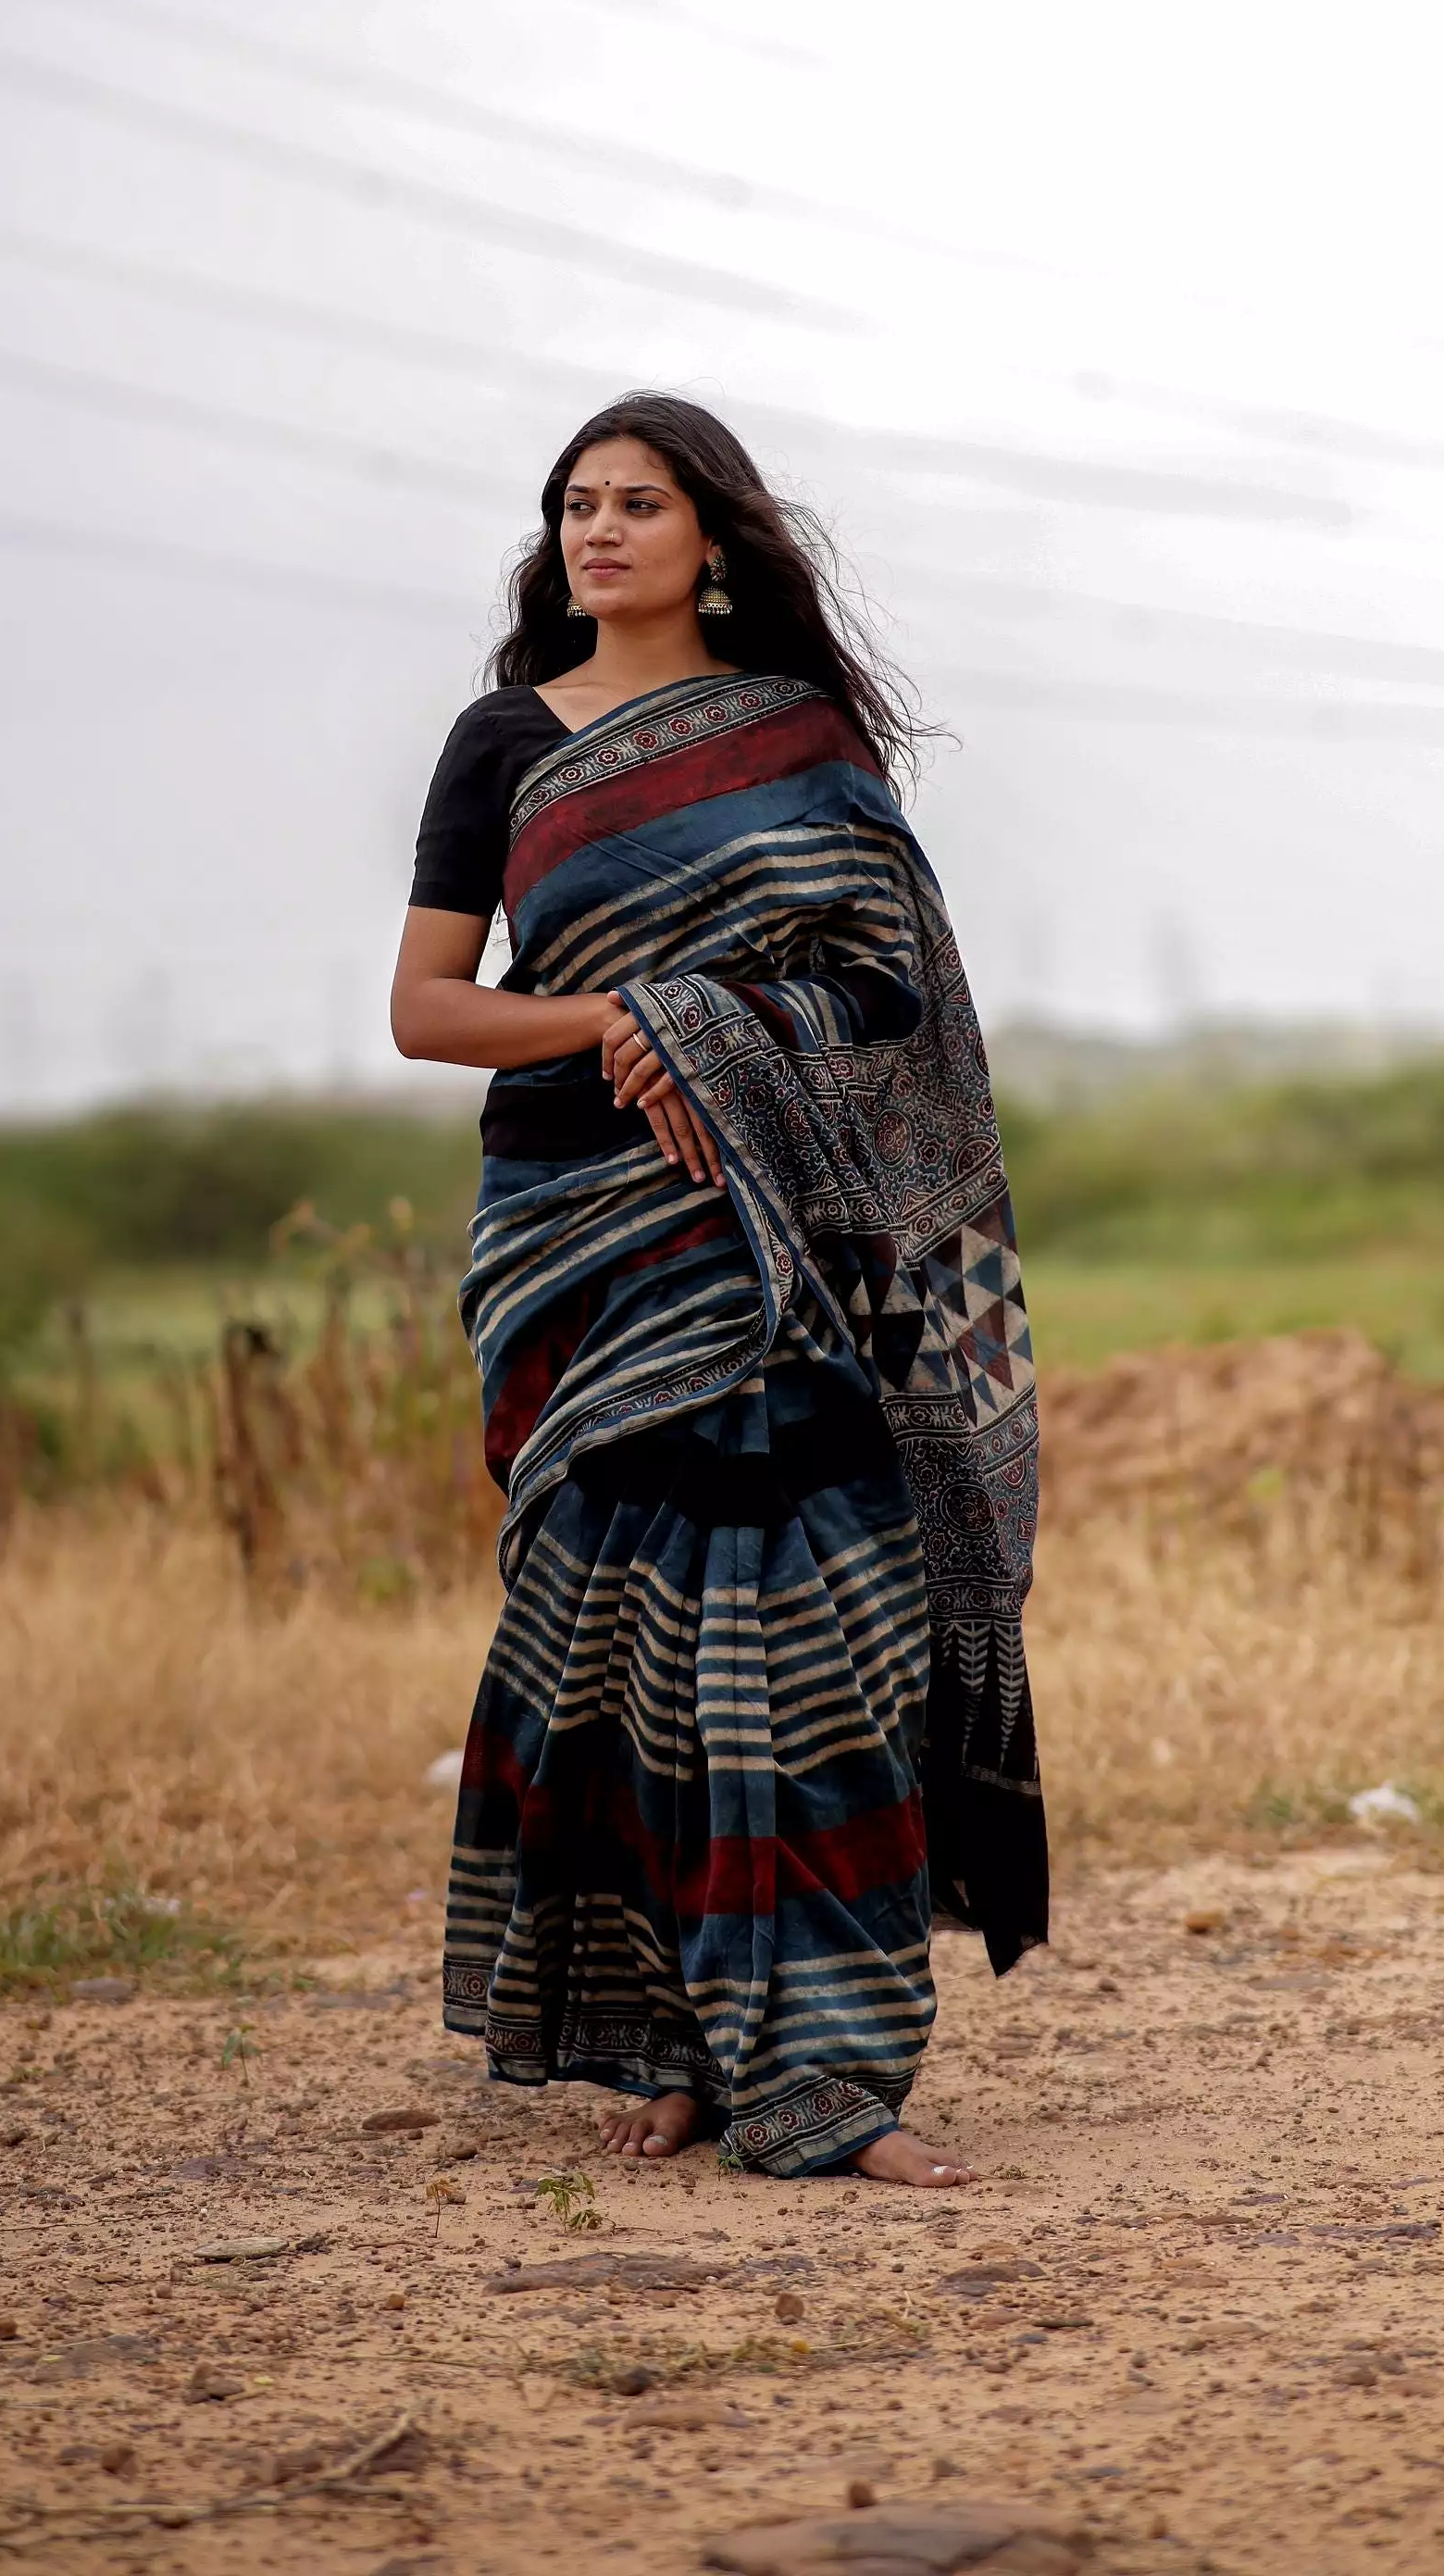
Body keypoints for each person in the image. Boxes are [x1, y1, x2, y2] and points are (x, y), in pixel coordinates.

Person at [391, 395, 1043, 2185]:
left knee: (817, 1627)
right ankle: (680, 2047)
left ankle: (833, 2072)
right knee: (622, 1644)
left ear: (715, 543)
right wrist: (627, 1019)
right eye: (575, 506)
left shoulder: (801, 745)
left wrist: (725, 1036)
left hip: (791, 1238)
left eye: (638, 504)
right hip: (579, 1238)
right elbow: (430, 1010)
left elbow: (889, 999)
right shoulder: (502, 744)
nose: (598, 532)